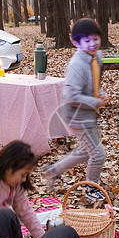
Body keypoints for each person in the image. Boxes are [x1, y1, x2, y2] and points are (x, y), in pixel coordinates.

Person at [43, 18, 109, 202]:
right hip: (76, 116)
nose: (92, 43)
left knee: (87, 151)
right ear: (76, 43)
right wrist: (96, 102)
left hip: (88, 113)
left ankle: (53, 170)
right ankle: (91, 188)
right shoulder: (76, 65)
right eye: (86, 40)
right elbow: (72, 97)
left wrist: (101, 95)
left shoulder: (97, 55)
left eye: (95, 38)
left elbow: (97, 81)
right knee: (98, 154)